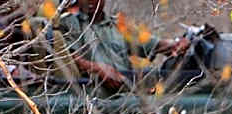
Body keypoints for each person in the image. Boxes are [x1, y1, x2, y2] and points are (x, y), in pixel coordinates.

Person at [60, 0, 189, 91]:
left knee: (182, 77)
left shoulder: (118, 25)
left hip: (126, 84)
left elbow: (155, 44)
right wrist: (99, 69)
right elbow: (70, 58)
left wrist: (177, 44)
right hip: (95, 88)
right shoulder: (71, 23)